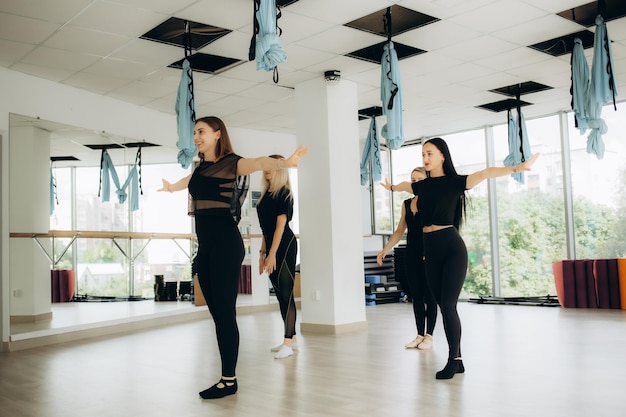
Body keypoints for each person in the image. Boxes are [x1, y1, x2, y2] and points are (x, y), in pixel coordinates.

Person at [159, 116, 308, 399]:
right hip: (206, 248)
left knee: (225, 313)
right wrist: (171, 187)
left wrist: (283, 164)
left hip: (227, 245)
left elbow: (258, 162)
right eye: (194, 132)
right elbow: (188, 181)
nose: (196, 137)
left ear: (217, 134)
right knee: (217, 315)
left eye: (201, 132)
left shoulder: (232, 163)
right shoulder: (201, 169)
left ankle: (229, 380)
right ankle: (227, 377)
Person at [382, 137, 539, 379]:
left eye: (430, 154)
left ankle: (453, 360)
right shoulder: (421, 187)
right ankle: (458, 359)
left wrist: (516, 168)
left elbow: (486, 172)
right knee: (442, 306)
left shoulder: (456, 182)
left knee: (448, 305)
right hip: (430, 249)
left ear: (442, 155)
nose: (425, 158)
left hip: (452, 248)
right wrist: (391, 187)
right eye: (423, 154)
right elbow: (405, 185)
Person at [376, 167, 437, 350]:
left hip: (429, 253)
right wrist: (385, 249)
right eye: (413, 180)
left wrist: (432, 251)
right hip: (412, 254)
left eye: (419, 179)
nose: (415, 183)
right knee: (416, 296)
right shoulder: (406, 204)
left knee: (430, 296)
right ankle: (419, 334)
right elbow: (399, 230)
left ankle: (429, 336)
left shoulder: (433, 201)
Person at [256, 155, 299, 359]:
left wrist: (272, 253)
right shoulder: (265, 195)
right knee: (279, 292)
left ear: (281, 169)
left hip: (285, 245)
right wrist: (261, 254)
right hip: (271, 247)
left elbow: (280, 226)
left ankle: (287, 343)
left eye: (272, 166)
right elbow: (266, 229)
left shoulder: (285, 193)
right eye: (266, 166)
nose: (267, 169)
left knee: (286, 293)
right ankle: (292, 337)